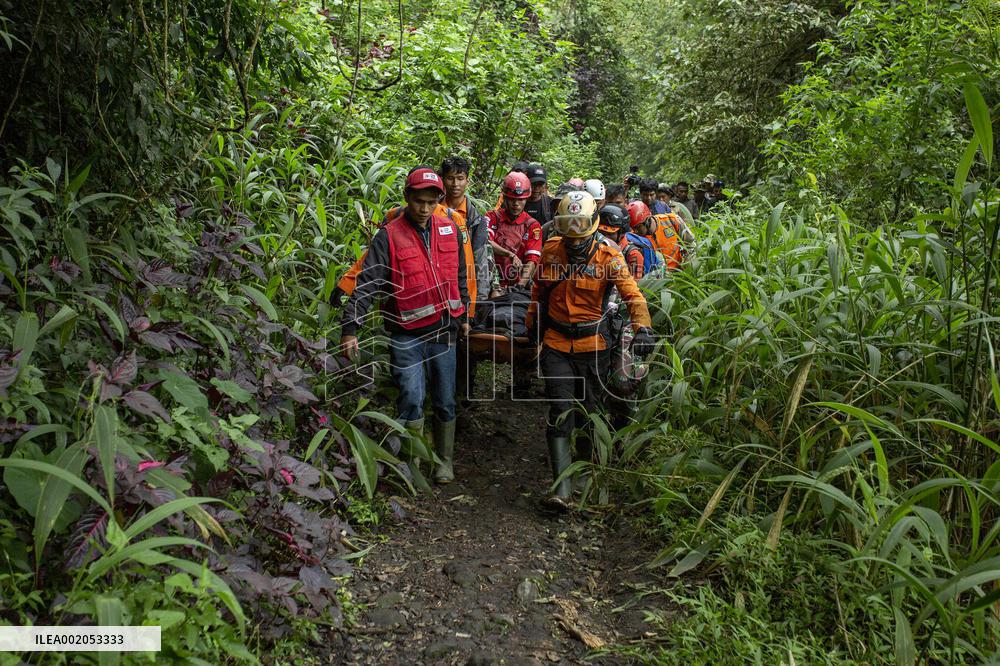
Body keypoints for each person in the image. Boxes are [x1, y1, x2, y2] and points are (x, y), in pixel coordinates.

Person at [525, 191, 655, 511]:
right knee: (559, 410)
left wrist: (643, 329)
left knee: (588, 412)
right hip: (556, 344)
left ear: (593, 228)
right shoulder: (552, 251)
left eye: (579, 234)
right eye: (568, 234)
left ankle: (582, 474)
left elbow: (633, 296)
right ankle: (561, 487)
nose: (573, 241)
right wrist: (531, 329)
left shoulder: (609, 256)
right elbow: (538, 294)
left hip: (594, 347)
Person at [340, 167, 470, 485]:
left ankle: (443, 461)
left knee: (445, 398)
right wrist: (350, 327)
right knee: (411, 396)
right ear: (407, 198)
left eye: (430, 201)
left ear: (439, 200)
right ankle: (411, 463)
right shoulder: (389, 235)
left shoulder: (450, 228)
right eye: (418, 201)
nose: (424, 209)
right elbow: (368, 282)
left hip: (444, 329)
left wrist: (464, 315)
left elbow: (460, 276)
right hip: (406, 333)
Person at [335, 160, 486, 311]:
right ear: (408, 194)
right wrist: (348, 283)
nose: (424, 209)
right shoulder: (395, 215)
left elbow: (466, 265)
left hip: (446, 309)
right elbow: (374, 256)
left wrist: (469, 309)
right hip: (406, 306)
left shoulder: (452, 219)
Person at [486, 171, 542, 290]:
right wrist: (510, 254)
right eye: (512, 199)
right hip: (489, 280)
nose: (516, 204)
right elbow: (486, 242)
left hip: (516, 284)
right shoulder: (491, 217)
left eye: (520, 200)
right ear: (504, 197)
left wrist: (521, 284)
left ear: (527, 199)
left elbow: (532, 260)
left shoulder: (532, 225)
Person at [598, 204, 654, 279]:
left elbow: (633, 285)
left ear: (622, 233)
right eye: (601, 233)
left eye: (609, 234)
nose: (605, 238)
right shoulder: (594, 244)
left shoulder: (633, 255)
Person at [627, 201, 683, 271]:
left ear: (647, 220)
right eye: (632, 228)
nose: (635, 231)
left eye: (638, 227)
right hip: (658, 279)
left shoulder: (672, 220)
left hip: (680, 274)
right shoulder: (634, 238)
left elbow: (691, 246)